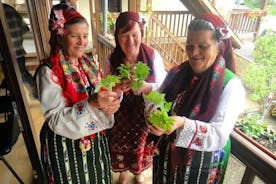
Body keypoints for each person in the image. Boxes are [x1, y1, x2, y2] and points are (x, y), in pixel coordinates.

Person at [148, 13, 246, 183]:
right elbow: (157, 99)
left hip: (201, 165)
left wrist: (181, 123)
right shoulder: (177, 73)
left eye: (203, 46)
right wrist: (153, 116)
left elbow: (218, 134)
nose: (193, 53)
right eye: (189, 45)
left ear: (219, 46)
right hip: (166, 159)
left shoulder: (230, 85)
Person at [35, 8, 121, 183]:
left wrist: (111, 105)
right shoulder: (49, 72)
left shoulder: (88, 65)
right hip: (65, 145)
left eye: (85, 35)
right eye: (75, 36)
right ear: (60, 36)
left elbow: (101, 97)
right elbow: (55, 119)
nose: (82, 42)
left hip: (94, 141)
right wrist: (90, 104)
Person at [103, 11, 167, 184]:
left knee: (141, 144)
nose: (130, 41)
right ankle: (123, 172)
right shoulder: (111, 59)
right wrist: (117, 88)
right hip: (120, 114)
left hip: (144, 111)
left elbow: (163, 89)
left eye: (135, 35)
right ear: (117, 36)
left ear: (142, 34)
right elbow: (105, 89)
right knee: (120, 142)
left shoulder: (153, 56)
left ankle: (139, 173)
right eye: (124, 35)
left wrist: (144, 86)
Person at [2, 3, 35, 96]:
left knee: (13, 78)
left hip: (4, 55)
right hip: (18, 51)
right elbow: (25, 28)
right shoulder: (9, 9)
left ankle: (20, 100)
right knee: (23, 74)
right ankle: (34, 97)